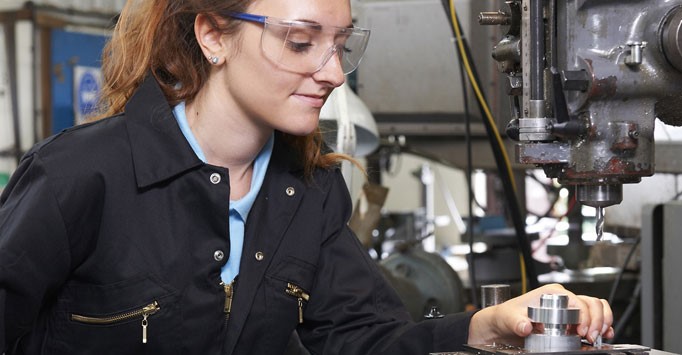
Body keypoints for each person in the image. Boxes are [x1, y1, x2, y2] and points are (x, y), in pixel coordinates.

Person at [0, 0, 613, 353]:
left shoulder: (310, 193)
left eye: (341, 44)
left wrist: (487, 325)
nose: (333, 73)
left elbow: (363, 339)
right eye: (299, 42)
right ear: (213, 36)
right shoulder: (81, 177)